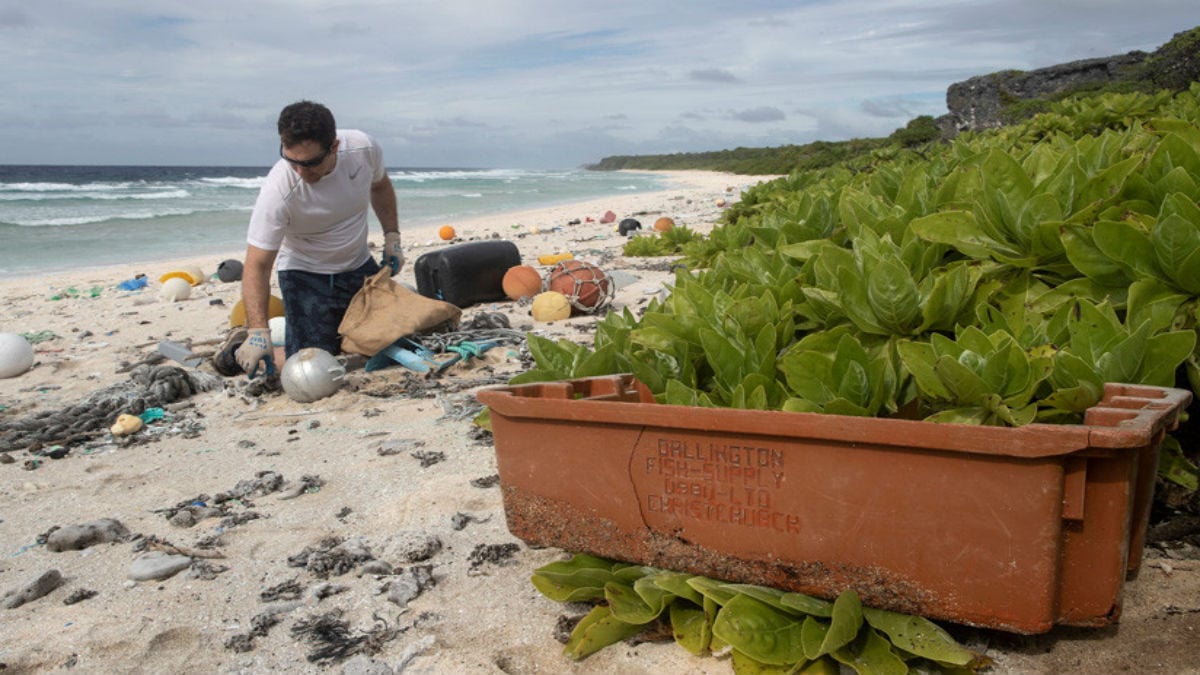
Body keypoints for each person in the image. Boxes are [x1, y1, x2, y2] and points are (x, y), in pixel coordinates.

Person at [233, 100, 404, 375]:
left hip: (359, 266)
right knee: (313, 368)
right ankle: (234, 352)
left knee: (398, 342)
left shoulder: (363, 149)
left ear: (334, 147)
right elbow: (257, 264)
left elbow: (380, 185)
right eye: (292, 161)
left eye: (311, 163)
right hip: (305, 276)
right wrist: (257, 331)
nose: (301, 172)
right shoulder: (278, 191)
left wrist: (392, 237)